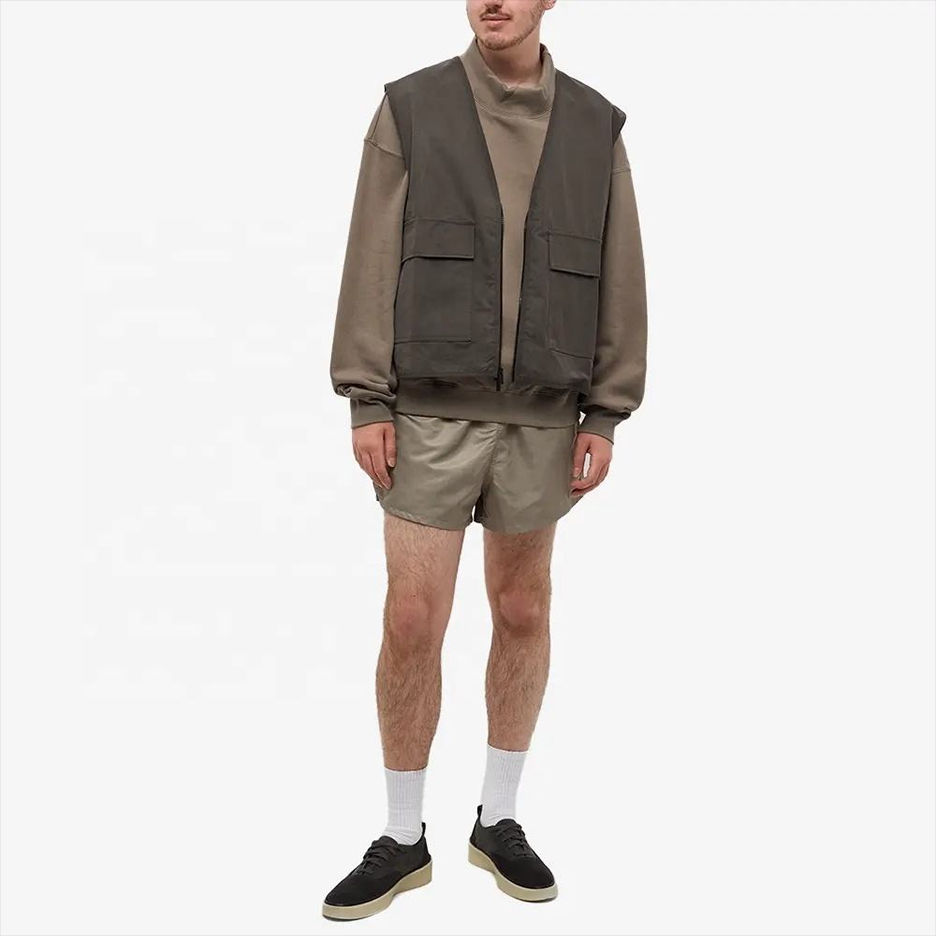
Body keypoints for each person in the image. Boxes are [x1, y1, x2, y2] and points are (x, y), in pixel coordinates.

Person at [324, 0, 647, 920]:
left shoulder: (595, 124)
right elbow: (370, 251)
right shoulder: (411, 107)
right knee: (412, 617)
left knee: (523, 608)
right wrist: (367, 396)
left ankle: (497, 820)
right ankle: (401, 837)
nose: (492, 1)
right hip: (425, 410)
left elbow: (621, 269)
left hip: (544, 417)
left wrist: (606, 409)